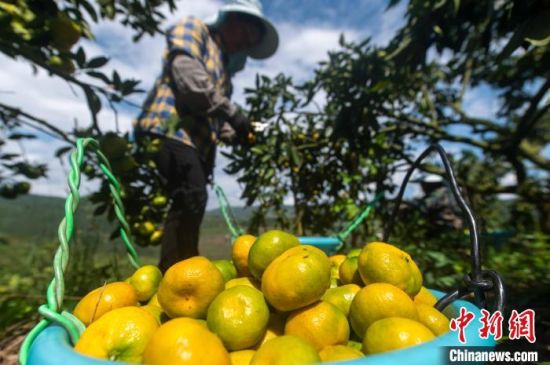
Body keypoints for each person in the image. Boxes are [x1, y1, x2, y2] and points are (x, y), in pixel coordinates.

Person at [135, 0, 279, 272]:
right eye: (246, 34)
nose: (245, 44)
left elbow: (216, 121)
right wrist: (234, 114)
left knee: (192, 200)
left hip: (197, 144)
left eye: (251, 42)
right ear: (232, 20)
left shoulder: (225, 73)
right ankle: (177, 273)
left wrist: (237, 133)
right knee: (191, 194)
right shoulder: (194, 28)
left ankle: (186, 268)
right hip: (170, 130)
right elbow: (188, 77)